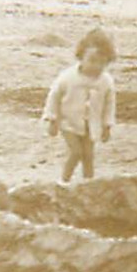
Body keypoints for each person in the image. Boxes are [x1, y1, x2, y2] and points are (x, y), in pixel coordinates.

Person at [42, 28, 118, 184]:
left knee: (89, 155)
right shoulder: (68, 77)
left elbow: (110, 105)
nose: (96, 66)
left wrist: (107, 126)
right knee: (76, 152)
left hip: (92, 124)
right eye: (92, 60)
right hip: (68, 122)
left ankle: (88, 184)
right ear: (81, 56)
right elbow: (54, 96)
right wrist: (52, 119)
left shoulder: (106, 82)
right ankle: (64, 182)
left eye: (102, 63)